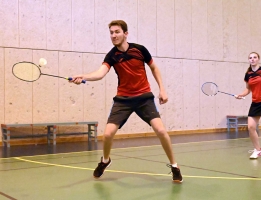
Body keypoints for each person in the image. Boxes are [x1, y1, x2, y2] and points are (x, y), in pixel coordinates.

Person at [70, 20, 182, 182]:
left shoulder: (140, 50)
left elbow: (154, 68)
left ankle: (174, 166)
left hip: (144, 98)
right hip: (123, 100)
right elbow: (100, 74)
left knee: (161, 131)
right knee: (107, 134)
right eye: (111, 32)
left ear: (125, 34)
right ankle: (105, 160)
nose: (113, 35)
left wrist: (162, 89)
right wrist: (83, 76)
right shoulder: (112, 56)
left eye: (117, 32)